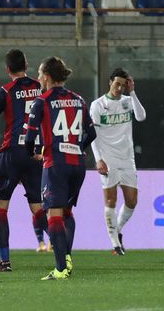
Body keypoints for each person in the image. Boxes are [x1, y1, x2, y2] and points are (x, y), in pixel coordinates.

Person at [25, 57, 96, 280]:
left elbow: (29, 138)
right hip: (78, 165)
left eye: (39, 73)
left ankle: (60, 269)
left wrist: (34, 153)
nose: (37, 78)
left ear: (46, 76)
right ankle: (66, 258)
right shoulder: (78, 99)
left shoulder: (42, 101)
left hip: (56, 164)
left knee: (53, 214)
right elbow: (91, 133)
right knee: (66, 212)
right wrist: (78, 147)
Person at [0, 49, 49, 272]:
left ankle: (5, 261)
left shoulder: (6, 91)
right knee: (38, 208)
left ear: (7, 69)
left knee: (0, 207)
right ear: (26, 65)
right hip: (36, 152)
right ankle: (63, 252)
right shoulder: (41, 87)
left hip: (12, 153)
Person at [89, 68, 146, 255]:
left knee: (132, 201)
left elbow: (141, 116)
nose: (120, 88)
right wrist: (99, 160)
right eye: (117, 84)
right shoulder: (98, 105)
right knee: (110, 200)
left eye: (123, 84)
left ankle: (118, 230)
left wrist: (133, 92)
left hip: (127, 158)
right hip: (108, 159)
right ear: (110, 82)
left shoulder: (128, 101)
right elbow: (93, 135)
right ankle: (115, 244)